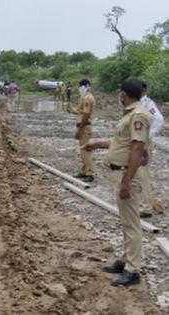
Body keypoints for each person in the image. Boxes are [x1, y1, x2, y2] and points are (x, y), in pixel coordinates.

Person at [83, 79, 150, 286]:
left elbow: (137, 149)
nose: (118, 97)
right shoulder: (130, 114)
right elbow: (122, 143)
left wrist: (126, 182)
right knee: (127, 221)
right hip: (121, 173)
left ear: (123, 94)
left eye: (119, 94)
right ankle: (125, 259)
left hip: (127, 175)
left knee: (131, 224)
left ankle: (133, 270)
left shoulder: (138, 115)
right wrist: (98, 144)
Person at [137, 81, 165, 218]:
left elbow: (159, 120)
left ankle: (146, 207)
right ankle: (143, 204)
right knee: (138, 174)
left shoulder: (147, 104)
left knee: (143, 174)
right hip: (138, 142)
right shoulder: (137, 103)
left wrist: (147, 136)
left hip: (143, 143)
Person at [68, 79, 96, 182]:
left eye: (80, 87)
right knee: (83, 150)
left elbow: (86, 114)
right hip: (84, 125)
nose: (79, 89)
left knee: (85, 150)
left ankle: (89, 173)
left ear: (85, 86)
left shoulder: (88, 98)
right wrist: (73, 111)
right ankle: (84, 171)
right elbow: (82, 112)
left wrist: (80, 127)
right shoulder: (85, 97)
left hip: (84, 126)